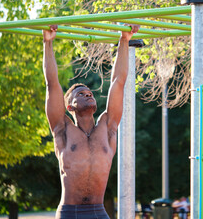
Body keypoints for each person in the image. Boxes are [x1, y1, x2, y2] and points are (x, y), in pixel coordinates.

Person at [42, 24, 139, 219]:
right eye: (80, 94)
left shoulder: (108, 127)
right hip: (70, 213)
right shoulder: (63, 129)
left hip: (98, 212)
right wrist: (48, 43)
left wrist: (124, 40)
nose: (88, 94)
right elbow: (52, 84)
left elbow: (118, 81)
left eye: (89, 93)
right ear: (69, 107)